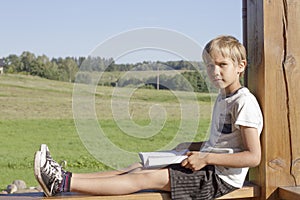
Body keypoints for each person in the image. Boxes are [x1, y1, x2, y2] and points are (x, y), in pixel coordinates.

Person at [34, 35, 263, 200]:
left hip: (219, 180)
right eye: (210, 66)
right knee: (137, 167)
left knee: (144, 178)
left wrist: (205, 158)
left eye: (222, 65)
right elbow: (225, 145)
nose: (215, 72)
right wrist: (194, 147)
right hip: (209, 167)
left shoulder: (243, 102)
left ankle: (61, 183)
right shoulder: (224, 98)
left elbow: (253, 157)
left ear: (240, 66)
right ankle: (65, 177)